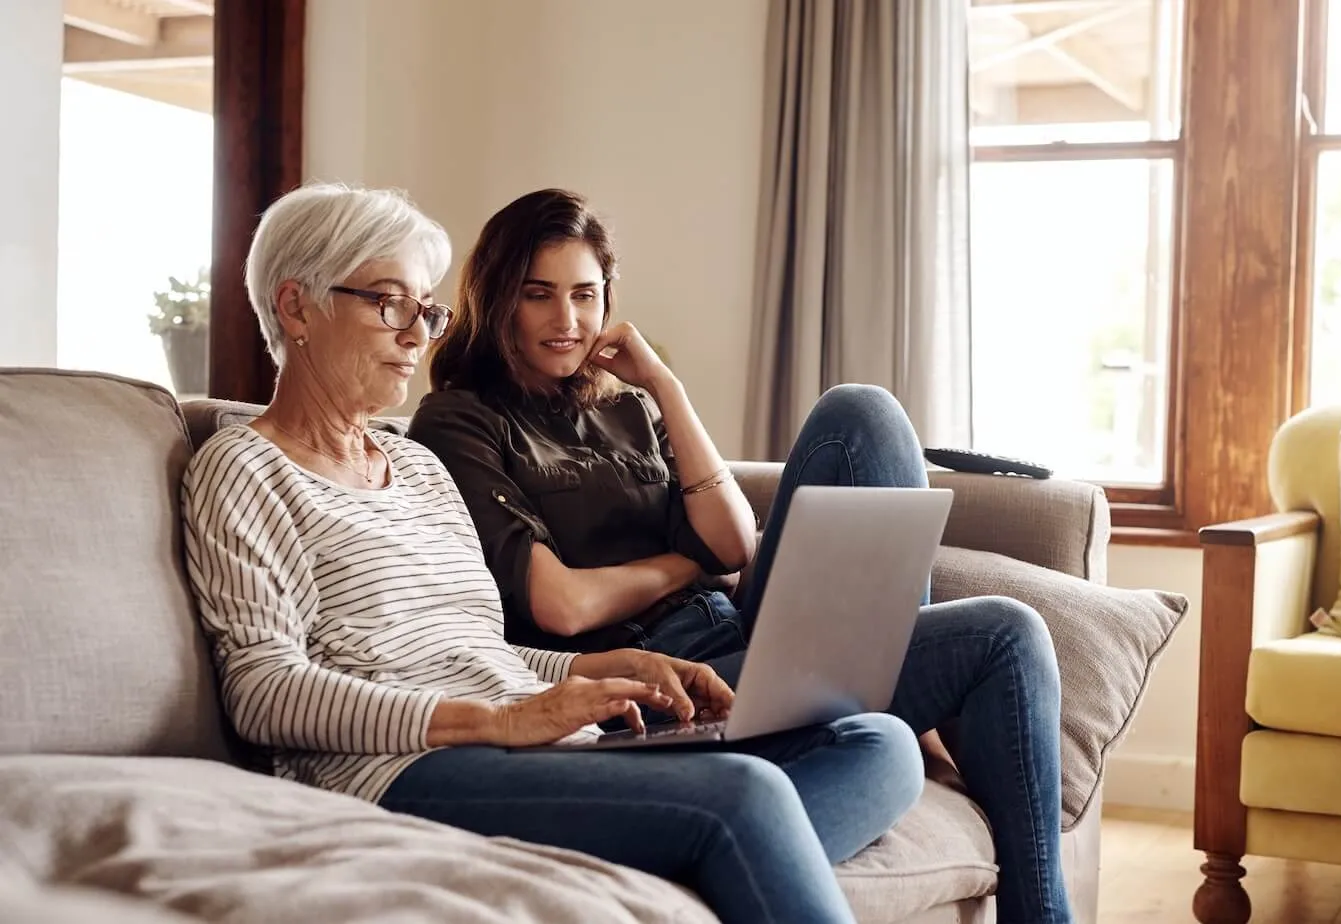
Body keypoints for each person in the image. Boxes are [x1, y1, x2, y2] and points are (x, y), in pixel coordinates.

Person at [180, 183, 925, 924]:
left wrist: (604, 670)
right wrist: (494, 722)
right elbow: (262, 691)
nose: (416, 335)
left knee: (880, 743)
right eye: (387, 304)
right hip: (406, 769)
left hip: (537, 741)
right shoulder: (244, 469)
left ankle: (711, 865)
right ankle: (726, 850)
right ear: (295, 306)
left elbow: (478, 646)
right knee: (749, 796)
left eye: (425, 310)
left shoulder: (415, 467)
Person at [407, 188, 1073, 924]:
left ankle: (879, 701)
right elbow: (562, 606)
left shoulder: (626, 405)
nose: (567, 321)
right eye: (539, 296)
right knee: (988, 649)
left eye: (585, 295)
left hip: (740, 633)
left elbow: (733, 544)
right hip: (653, 681)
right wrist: (686, 565)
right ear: (497, 297)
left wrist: (665, 385)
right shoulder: (458, 420)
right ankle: (1038, 911)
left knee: (864, 414)